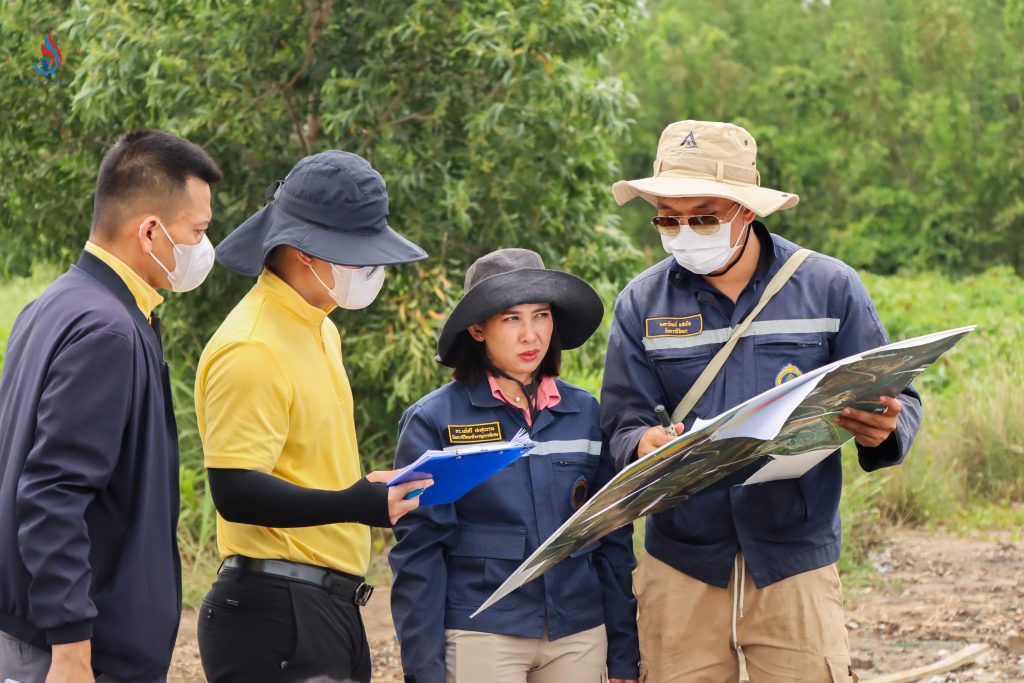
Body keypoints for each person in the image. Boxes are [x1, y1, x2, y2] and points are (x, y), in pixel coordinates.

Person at [601, 120, 923, 682]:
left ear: (746, 211)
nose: (684, 232)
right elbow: (622, 421)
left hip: (795, 560)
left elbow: (897, 394)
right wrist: (642, 443)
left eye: (704, 217)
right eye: (668, 219)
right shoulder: (641, 304)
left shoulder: (828, 288)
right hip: (682, 564)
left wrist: (885, 427)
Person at [194, 150, 430, 683]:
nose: (371, 271)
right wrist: (354, 504)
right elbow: (235, 491)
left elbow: (307, 465)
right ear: (304, 251)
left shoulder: (321, 325)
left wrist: (364, 492)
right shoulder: (252, 346)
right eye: (358, 256)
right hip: (274, 612)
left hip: (327, 604)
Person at [0, 130, 222, 683]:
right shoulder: (107, 330)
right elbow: (53, 492)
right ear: (149, 231)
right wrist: (71, 647)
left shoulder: (55, 304)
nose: (203, 248)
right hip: (75, 653)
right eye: (198, 232)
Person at [389, 248, 640, 683]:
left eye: (541, 315)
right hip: (482, 632)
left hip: (578, 634)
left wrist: (623, 652)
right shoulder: (435, 420)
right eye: (511, 319)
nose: (531, 335)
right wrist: (424, 669)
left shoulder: (585, 412)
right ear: (477, 329)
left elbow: (611, 537)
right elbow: (419, 552)